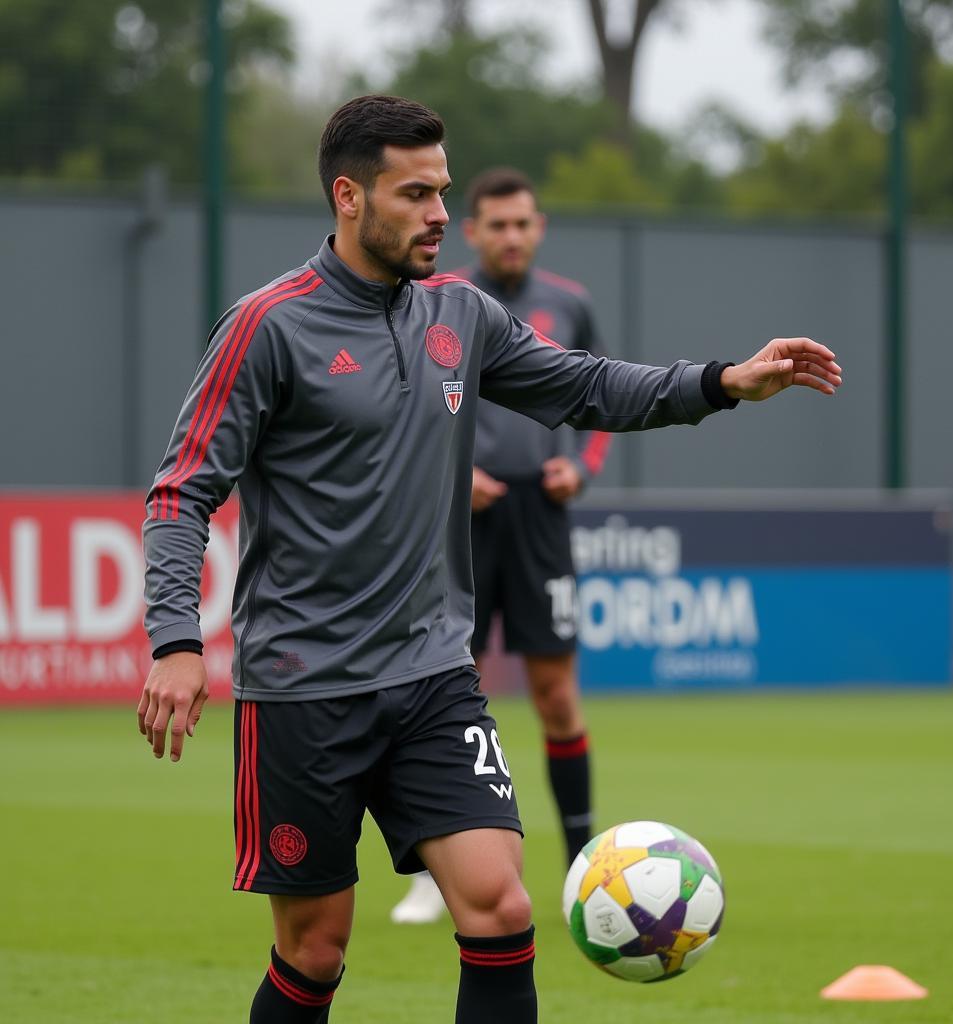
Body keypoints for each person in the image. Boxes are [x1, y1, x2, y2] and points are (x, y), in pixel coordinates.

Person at [137, 94, 842, 1024]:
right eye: (416, 193)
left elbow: (586, 385)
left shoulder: (461, 315)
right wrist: (174, 640)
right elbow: (183, 489)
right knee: (314, 951)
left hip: (433, 676)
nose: (439, 214)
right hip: (303, 689)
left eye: (444, 191)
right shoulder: (268, 327)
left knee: (502, 907)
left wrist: (721, 382)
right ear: (348, 197)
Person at [391, 168, 610, 926]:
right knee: (445, 689)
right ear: (474, 230)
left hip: (541, 519)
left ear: (538, 227)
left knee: (555, 695)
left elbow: (598, 398)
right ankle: (427, 871)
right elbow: (409, 407)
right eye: (497, 224)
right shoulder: (437, 301)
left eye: (524, 223)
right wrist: (458, 472)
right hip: (460, 517)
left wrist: (579, 469)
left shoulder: (569, 303)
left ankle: (584, 870)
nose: (511, 236)